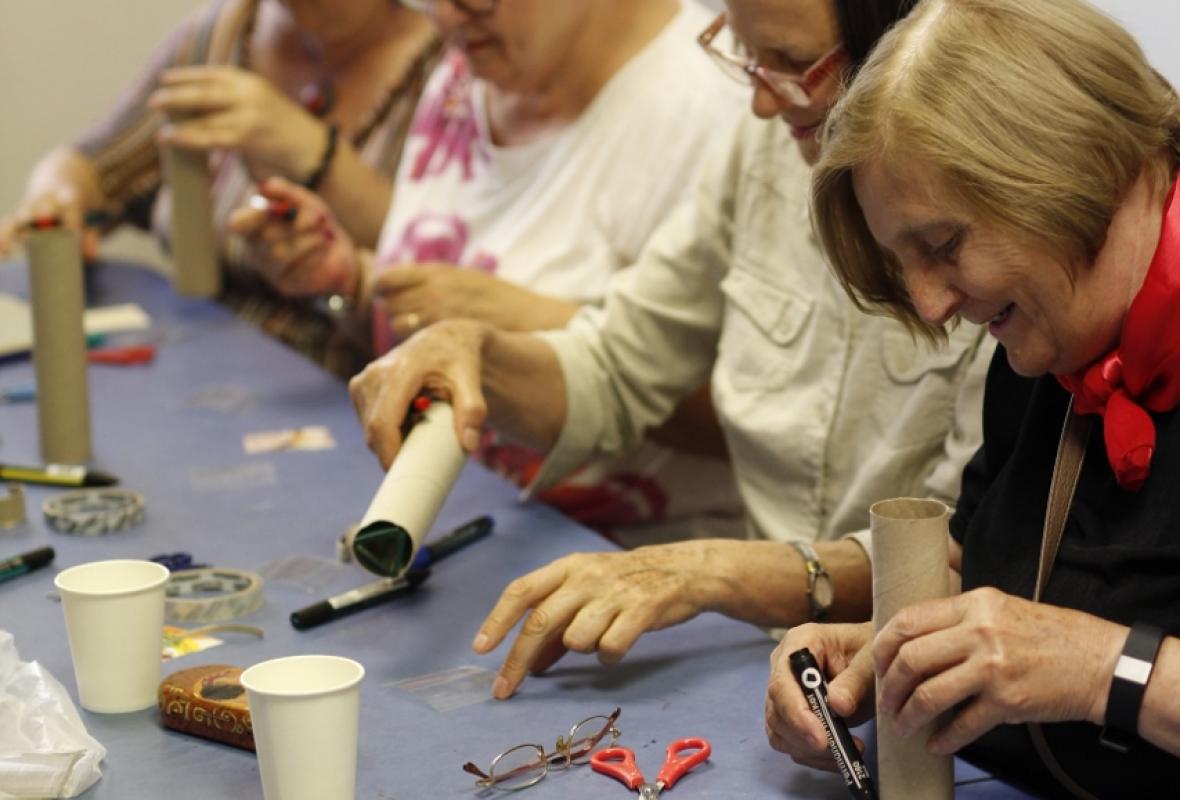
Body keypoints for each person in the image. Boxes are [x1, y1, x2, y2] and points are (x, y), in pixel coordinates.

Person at [349, 0, 993, 700]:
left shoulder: (987, 224)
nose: (758, 101)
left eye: (792, 64)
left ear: (906, 41)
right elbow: (617, 364)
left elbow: (961, 552)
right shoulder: (768, 153)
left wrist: (712, 572)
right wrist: (473, 352)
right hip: (763, 656)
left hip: (920, 681)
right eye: (746, 57)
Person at [765, 0, 1180, 796]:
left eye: (944, 245)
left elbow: (1078, 648)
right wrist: (885, 654)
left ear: (1071, 167)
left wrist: (1104, 670)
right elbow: (1024, 588)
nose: (929, 306)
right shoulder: (1047, 341)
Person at [266, 0, 751, 539]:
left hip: (635, 557)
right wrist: (353, 284)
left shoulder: (725, 106)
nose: (446, 18)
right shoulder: (470, 66)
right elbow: (438, 314)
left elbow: (765, 423)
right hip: (475, 521)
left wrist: (537, 322)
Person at [0, 0, 440, 379]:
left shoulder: (446, 70)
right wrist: (57, 197)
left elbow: (444, 268)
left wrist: (311, 151)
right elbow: (92, 165)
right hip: (204, 367)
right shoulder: (226, 32)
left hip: (352, 390)